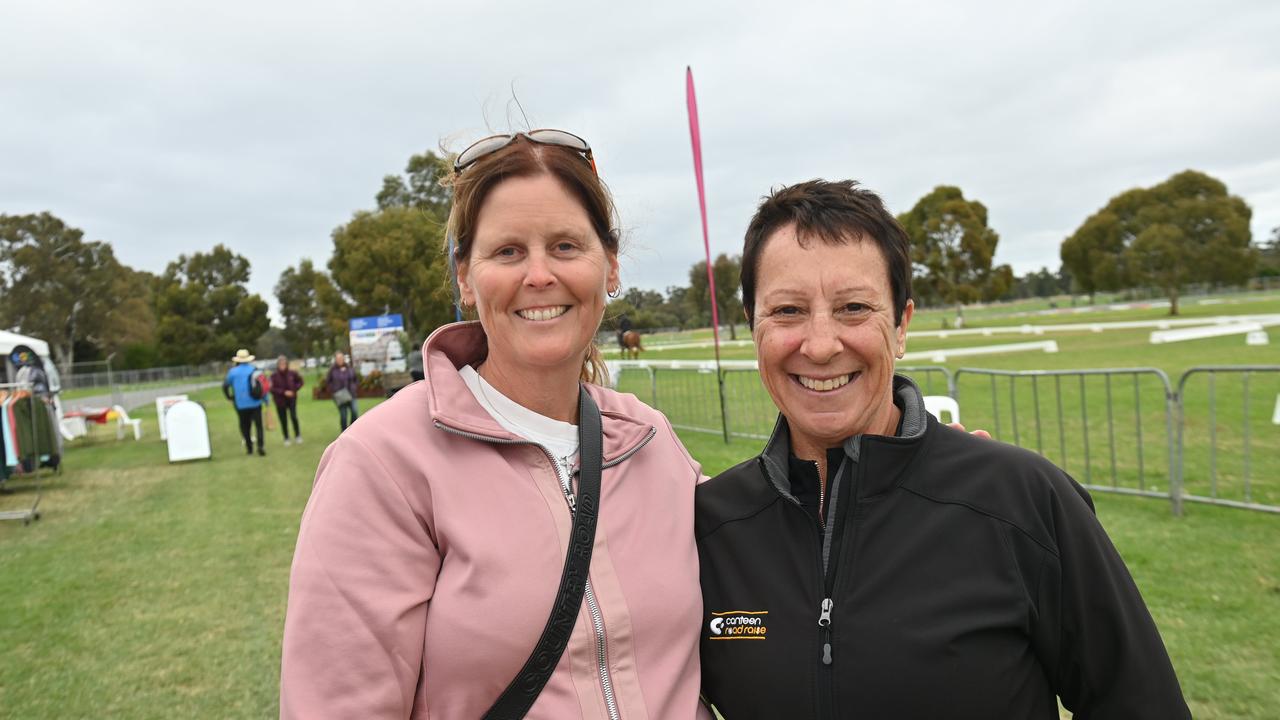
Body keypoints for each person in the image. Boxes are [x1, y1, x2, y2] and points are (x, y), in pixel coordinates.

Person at [695, 180, 1190, 718]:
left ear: (902, 325)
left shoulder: (1021, 500)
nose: (819, 345)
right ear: (753, 327)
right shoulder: (711, 528)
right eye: (787, 311)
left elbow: (1139, 703)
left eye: (854, 307)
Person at [281, 130, 710, 719]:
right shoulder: (383, 463)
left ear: (610, 266)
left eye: (565, 246)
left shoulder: (651, 441)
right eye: (507, 251)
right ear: (465, 277)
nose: (538, 275)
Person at [223, 349, 266, 456]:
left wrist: (229, 397)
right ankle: (260, 446)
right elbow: (263, 385)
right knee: (258, 425)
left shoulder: (233, 372)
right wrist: (265, 399)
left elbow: (225, 385)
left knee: (245, 426)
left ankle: (249, 448)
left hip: (241, 404)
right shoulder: (254, 369)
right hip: (255, 402)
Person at [270, 355, 304, 446]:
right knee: (283, 420)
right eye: (280, 364)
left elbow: (300, 382)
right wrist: (283, 392)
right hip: (280, 401)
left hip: (292, 399)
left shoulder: (292, 373)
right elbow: (272, 389)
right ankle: (286, 438)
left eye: (284, 364)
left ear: (287, 364)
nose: (282, 365)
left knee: (293, 417)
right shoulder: (274, 376)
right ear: (278, 365)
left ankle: (298, 436)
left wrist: (294, 390)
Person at [324, 351, 359, 431]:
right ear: (335, 360)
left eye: (341, 358)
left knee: (354, 411)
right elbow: (328, 382)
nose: (340, 360)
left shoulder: (349, 368)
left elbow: (355, 379)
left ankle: (352, 430)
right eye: (338, 358)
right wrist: (333, 390)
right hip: (339, 396)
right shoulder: (332, 370)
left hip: (351, 394)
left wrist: (354, 386)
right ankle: (344, 432)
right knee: (343, 415)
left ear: (344, 359)